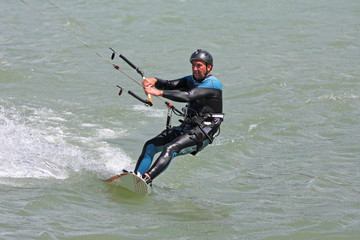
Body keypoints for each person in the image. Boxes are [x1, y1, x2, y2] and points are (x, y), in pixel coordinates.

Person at [133, 49, 224, 185]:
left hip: (203, 132)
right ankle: (135, 177)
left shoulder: (213, 84)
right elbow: (169, 84)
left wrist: (158, 92)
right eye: (193, 65)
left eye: (199, 65)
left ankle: (145, 180)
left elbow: (188, 95)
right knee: (150, 145)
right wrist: (155, 80)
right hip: (188, 127)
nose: (195, 69)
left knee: (170, 148)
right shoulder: (191, 79)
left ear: (208, 67)